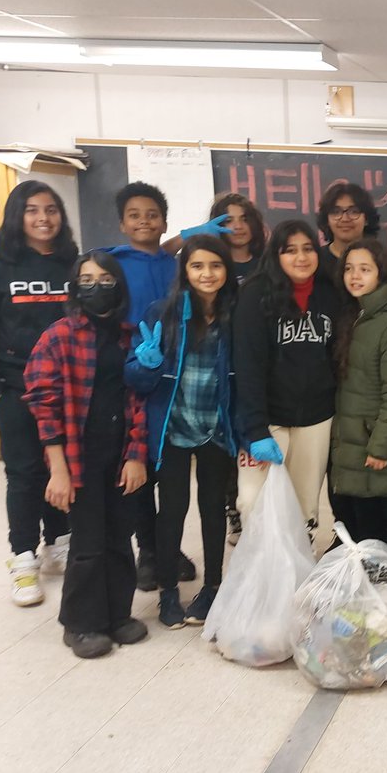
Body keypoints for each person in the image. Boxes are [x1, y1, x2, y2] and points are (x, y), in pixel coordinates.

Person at [23, 251, 149, 659]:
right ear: (75, 286)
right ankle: (80, 623)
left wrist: (135, 456)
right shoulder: (58, 336)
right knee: (89, 543)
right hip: (79, 457)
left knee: (118, 538)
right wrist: (58, 471)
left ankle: (116, 616)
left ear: (119, 285)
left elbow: (139, 400)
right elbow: (44, 406)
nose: (96, 287)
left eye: (106, 279)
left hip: (120, 455)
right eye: (87, 279)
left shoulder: (130, 335)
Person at [0, 181, 78, 606]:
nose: (43, 218)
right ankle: (23, 556)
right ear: (17, 216)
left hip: (67, 388)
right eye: (32, 210)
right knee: (25, 470)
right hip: (14, 389)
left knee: (61, 466)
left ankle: (59, 540)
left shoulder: (73, 266)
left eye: (51, 209)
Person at [125, 236, 239, 629]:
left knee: (213, 509)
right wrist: (146, 363)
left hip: (216, 427)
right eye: (197, 266)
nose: (207, 274)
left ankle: (212, 587)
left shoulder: (236, 314)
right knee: (171, 510)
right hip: (172, 430)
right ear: (185, 272)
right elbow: (135, 378)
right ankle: (168, 591)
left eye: (215, 266)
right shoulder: (164, 312)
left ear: (227, 270)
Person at [103, 182, 196, 591]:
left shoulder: (176, 264)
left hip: (175, 377)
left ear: (164, 222)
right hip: (132, 376)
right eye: (135, 215)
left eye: (152, 214)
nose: (144, 221)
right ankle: (149, 551)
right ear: (122, 223)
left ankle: (168, 545)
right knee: (138, 465)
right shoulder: (110, 263)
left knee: (169, 469)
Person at [163, 193, 267, 547]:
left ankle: (241, 511)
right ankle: (231, 511)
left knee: (237, 452)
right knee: (209, 476)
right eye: (227, 219)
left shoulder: (266, 263)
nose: (237, 226)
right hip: (202, 381)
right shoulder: (205, 259)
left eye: (243, 218)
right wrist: (190, 233)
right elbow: (161, 253)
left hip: (245, 365)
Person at [233, 219, 342, 530]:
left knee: (305, 505)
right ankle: (264, 572)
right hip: (268, 420)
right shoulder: (255, 294)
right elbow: (247, 365)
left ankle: (298, 571)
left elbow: (335, 355)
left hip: (316, 418)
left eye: (308, 248)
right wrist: (255, 429)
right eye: (290, 250)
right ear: (276, 255)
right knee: (253, 502)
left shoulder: (329, 293)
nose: (301, 257)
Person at [328, 239, 387, 560]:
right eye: (349, 268)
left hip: (380, 447)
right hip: (355, 444)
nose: (355, 275)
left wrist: (381, 446)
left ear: (381, 273)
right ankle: (369, 599)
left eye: (365, 269)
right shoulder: (354, 315)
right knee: (364, 533)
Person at [316, 181, 380, 279]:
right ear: (327, 220)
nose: (345, 219)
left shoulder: (381, 260)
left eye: (354, 211)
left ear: (366, 218)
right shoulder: (315, 261)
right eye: (336, 212)